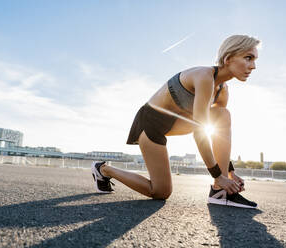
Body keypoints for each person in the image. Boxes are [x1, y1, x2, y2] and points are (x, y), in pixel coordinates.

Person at [92, 35, 259, 208]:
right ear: (228, 58)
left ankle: (220, 192)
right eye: (248, 58)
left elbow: (217, 134)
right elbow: (199, 132)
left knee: (222, 115)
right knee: (160, 192)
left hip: (176, 123)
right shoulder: (204, 76)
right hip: (150, 123)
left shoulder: (223, 91)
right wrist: (217, 175)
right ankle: (103, 169)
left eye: (254, 60)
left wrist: (229, 173)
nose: (253, 66)